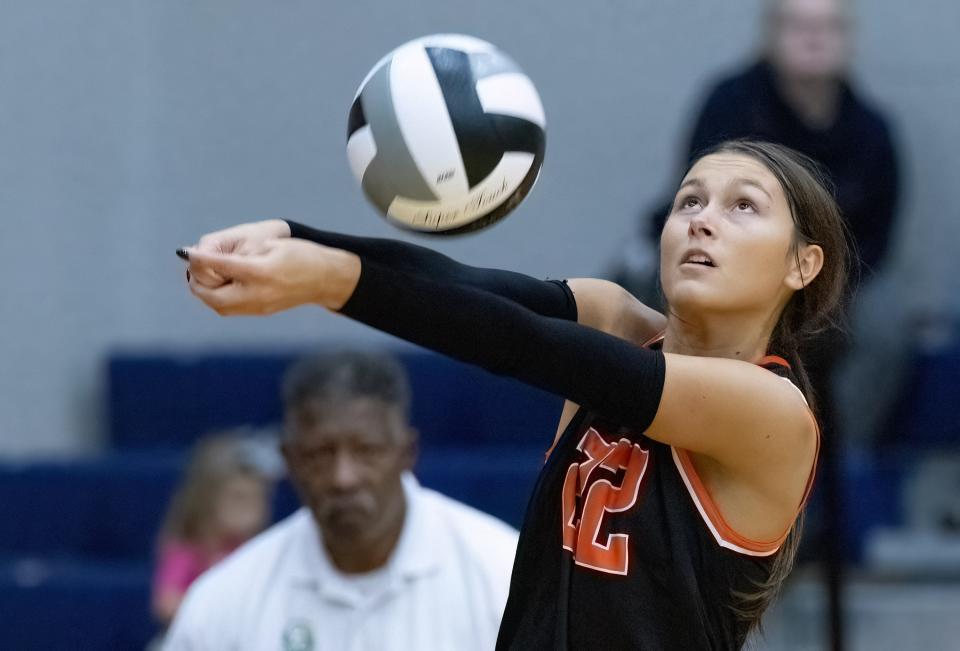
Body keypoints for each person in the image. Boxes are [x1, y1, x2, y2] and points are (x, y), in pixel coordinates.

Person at [179, 139, 849, 649]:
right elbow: (466, 288)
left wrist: (327, 281)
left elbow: (518, 340)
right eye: (690, 200)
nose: (703, 221)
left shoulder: (773, 410)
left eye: (743, 207)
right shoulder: (614, 317)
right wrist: (293, 239)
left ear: (802, 263)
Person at [164, 350, 519, 651]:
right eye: (320, 454)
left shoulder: (503, 574)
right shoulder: (224, 601)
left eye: (367, 452)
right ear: (291, 461)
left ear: (406, 453)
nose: (343, 478)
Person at [153, 433, 271, 626]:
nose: (253, 511)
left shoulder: (257, 551)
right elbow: (165, 604)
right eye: (239, 498)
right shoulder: (187, 550)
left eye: (259, 499)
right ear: (207, 499)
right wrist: (214, 608)